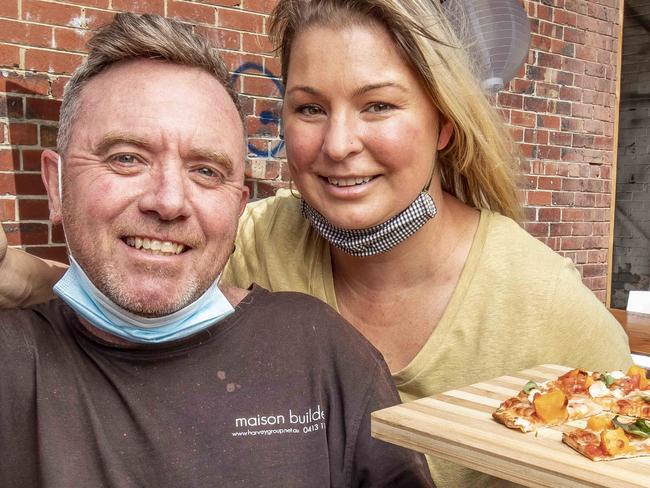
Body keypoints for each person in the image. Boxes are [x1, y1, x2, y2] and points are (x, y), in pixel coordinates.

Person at [0, 1, 633, 486]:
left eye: (378, 106)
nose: (337, 144)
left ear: (444, 122)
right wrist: (27, 280)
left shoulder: (553, 315)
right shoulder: (257, 235)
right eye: (308, 108)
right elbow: (145, 268)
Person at [0, 13, 434, 488]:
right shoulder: (15, 361)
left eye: (206, 171)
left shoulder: (321, 353)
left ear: (237, 205)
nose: (168, 202)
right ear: (55, 186)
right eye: (126, 158)